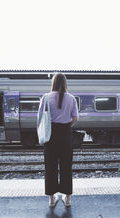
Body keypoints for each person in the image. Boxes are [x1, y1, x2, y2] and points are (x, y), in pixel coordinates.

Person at [37, 73, 79, 207]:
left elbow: (40, 118)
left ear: (53, 83)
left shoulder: (46, 97)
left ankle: (51, 200)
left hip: (50, 135)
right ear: (65, 83)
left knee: (50, 167)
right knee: (67, 166)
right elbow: (75, 118)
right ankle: (67, 199)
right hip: (66, 134)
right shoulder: (71, 98)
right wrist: (66, 127)